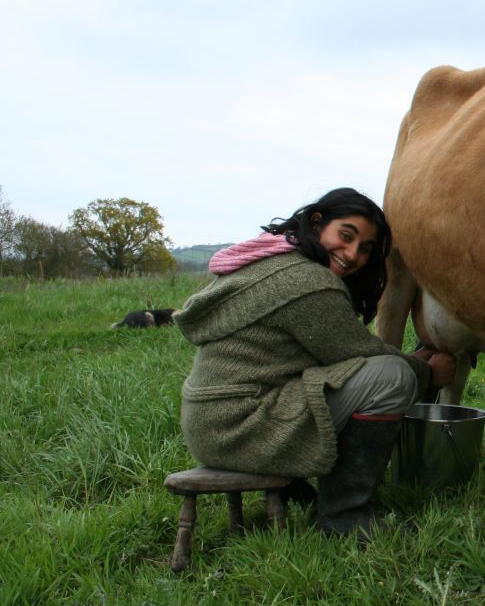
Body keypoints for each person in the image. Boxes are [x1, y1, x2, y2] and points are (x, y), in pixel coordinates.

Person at [174, 187, 456, 538]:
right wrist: (427, 372)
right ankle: (346, 516)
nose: (352, 254)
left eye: (365, 248)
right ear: (317, 222)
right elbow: (360, 354)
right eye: (346, 236)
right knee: (393, 376)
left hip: (210, 424)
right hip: (241, 430)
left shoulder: (271, 260)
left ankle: (297, 489)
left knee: (367, 372)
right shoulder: (308, 282)